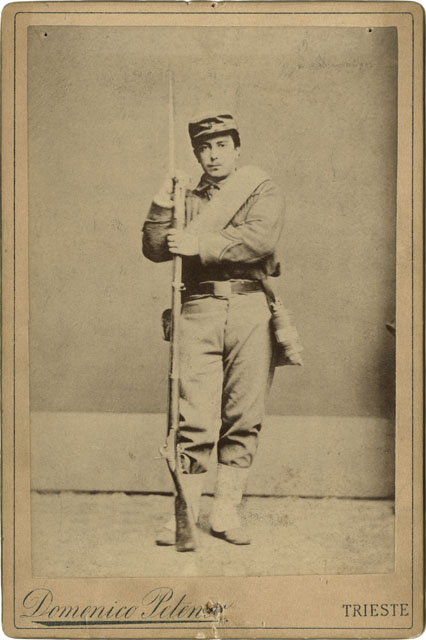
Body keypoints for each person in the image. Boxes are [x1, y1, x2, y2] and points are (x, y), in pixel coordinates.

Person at [142, 112, 284, 547]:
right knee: (193, 417)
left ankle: (225, 512)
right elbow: (154, 249)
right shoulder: (185, 197)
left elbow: (260, 240)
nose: (213, 154)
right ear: (196, 154)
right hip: (198, 308)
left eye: (221, 145)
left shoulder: (260, 188)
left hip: (249, 307)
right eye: (204, 148)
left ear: (237, 149)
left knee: (243, 414)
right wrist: (163, 203)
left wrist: (199, 243)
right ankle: (184, 511)